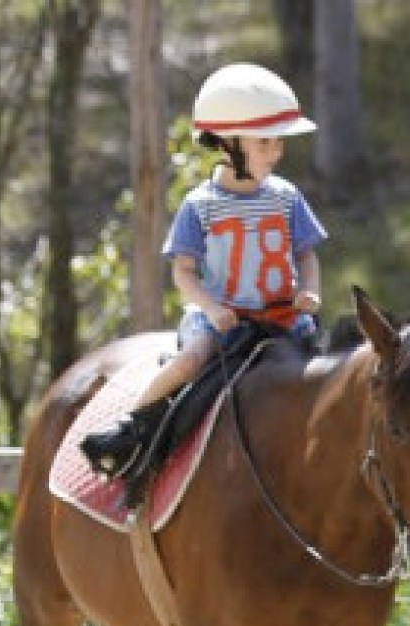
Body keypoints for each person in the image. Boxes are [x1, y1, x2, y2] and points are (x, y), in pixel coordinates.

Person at [82, 62, 326, 492]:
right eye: (265, 141)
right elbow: (183, 272)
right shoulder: (201, 205)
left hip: (282, 317)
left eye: (279, 142)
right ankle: (134, 426)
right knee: (190, 362)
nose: (276, 152)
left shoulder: (287, 197)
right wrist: (212, 309)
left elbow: (306, 254)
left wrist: (309, 291)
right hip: (222, 320)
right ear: (229, 143)